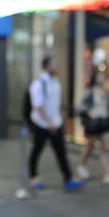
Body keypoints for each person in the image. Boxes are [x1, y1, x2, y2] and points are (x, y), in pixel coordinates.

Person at [28, 55, 86, 191]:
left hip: (56, 123)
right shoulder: (38, 84)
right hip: (41, 125)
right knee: (37, 151)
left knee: (61, 152)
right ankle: (33, 177)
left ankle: (68, 179)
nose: (57, 66)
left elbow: (55, 104)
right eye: (54, 64)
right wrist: (49, 123)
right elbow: (38, 106)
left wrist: (58, 120)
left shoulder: (55, 82)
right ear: (47, 66)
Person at [77, 71, 109, 187]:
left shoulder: (108, 92)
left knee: (104, 150)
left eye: (103, 77)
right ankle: (82, 165)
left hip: (105, 122)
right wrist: (89, 118)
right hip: (93, 123)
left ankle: (108, 175)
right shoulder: (90, 92)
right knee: (90, 147)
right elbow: (81, 108)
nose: (102, 79)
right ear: (95, 78)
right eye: (99, 77)